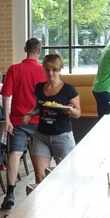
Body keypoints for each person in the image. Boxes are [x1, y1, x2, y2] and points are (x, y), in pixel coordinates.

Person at [0, 38, 46, 210]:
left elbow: (6, 96)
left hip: (18, 120)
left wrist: (7, 120)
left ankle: (10, 193)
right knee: (39, 154)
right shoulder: (44, 70)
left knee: (15, 154)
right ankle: (40, 188)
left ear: (25, 49)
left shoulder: (14, 69)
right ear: (39, 51)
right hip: (39, 120)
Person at [22, 54, 82, 183]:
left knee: (67, 176)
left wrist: (70, 110)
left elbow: (77, 113)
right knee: (40, 177)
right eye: (47, 70)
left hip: (62, 136)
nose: (50, 73)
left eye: (54, 70)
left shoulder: (68, 89)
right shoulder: (39, 87)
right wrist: (30, 114)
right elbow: (39, 107)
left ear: (59, 70)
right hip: (41, 136)